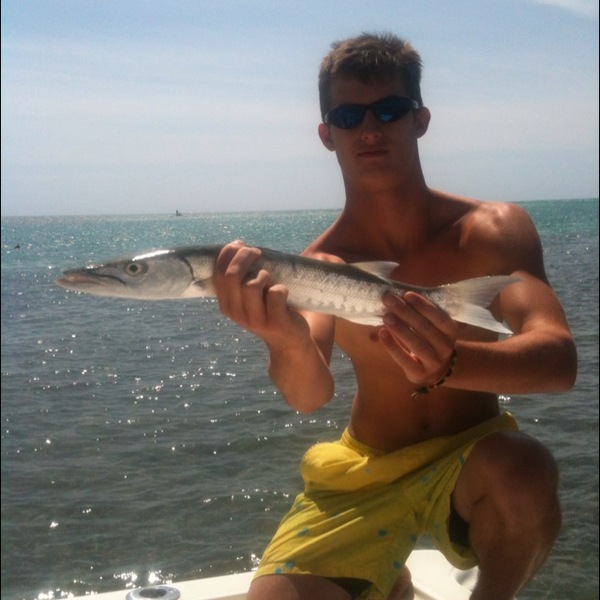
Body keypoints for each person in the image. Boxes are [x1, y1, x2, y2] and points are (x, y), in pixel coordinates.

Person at [213, 33, 577, 600]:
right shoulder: (321, 265)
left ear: (420, 120)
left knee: (524, 468)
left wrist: (449, 364)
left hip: (473, 457)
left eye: (389, 110)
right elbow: (309, 395)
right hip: (364, 465)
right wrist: (283, 340)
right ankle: (392, 582)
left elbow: (557, 361)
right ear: (327, 134)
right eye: (348, 116)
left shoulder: (493, 231)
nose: (369, 130)